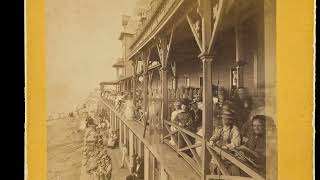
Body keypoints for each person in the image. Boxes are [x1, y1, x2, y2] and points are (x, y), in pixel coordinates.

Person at [209, 104, 241, 175]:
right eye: (223, 118)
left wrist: (226, 147)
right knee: (214, 162)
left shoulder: (235, 130)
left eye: (226, 119)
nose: (223, 120)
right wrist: (212, 140)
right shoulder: (221, 129)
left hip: (230, 154)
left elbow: (235, 143)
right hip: (220, 152)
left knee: (226, 168)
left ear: (230, 120)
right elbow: (216, 136)